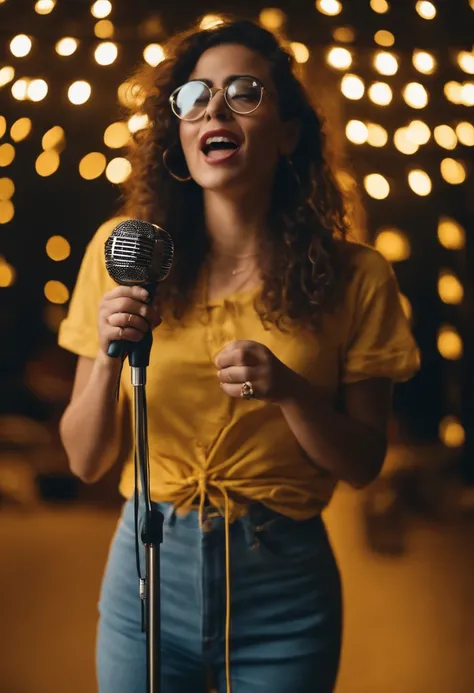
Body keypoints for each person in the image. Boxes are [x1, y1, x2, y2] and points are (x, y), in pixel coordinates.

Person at [58, 18, 420, 693]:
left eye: (244, 92)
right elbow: (84, 459)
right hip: (146, 573)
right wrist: (110, 355)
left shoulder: (357, 276)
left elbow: (365, 462)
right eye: (195, 97)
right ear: (181, 136)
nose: (214, 109)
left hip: (283, 589)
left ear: (288, 134)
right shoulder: (123, 250)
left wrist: (290, 389)